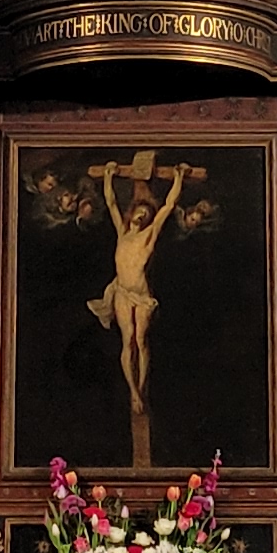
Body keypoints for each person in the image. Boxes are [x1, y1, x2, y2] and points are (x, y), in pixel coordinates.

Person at [88, 155, 188, 456]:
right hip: (121, 292)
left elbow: (168, 206)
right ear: (132, 213)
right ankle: (133, 391)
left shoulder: (148, 237)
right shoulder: (122, 233)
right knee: (127, 341)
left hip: (141, 296)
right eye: (139, 211)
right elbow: (110, 202)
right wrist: (109, 175)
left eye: (146, 213)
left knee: (141, 341)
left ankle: (141, 388)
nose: (141, 215)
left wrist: (179, 177)